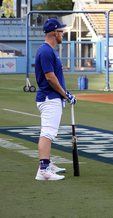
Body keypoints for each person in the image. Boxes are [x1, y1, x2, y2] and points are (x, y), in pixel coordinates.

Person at [34, 18, 77, 181]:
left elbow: (55, 78)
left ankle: (47, 164)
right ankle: (43, 170)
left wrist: (66, 93)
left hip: (52, 97)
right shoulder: (46, 51)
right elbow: (50, 78)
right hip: (49, 98)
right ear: (54, 33)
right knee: (48, 133)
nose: (63, 34)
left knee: (49, 132)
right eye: (61, 31)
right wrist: (66, 95)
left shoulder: (49, 51)